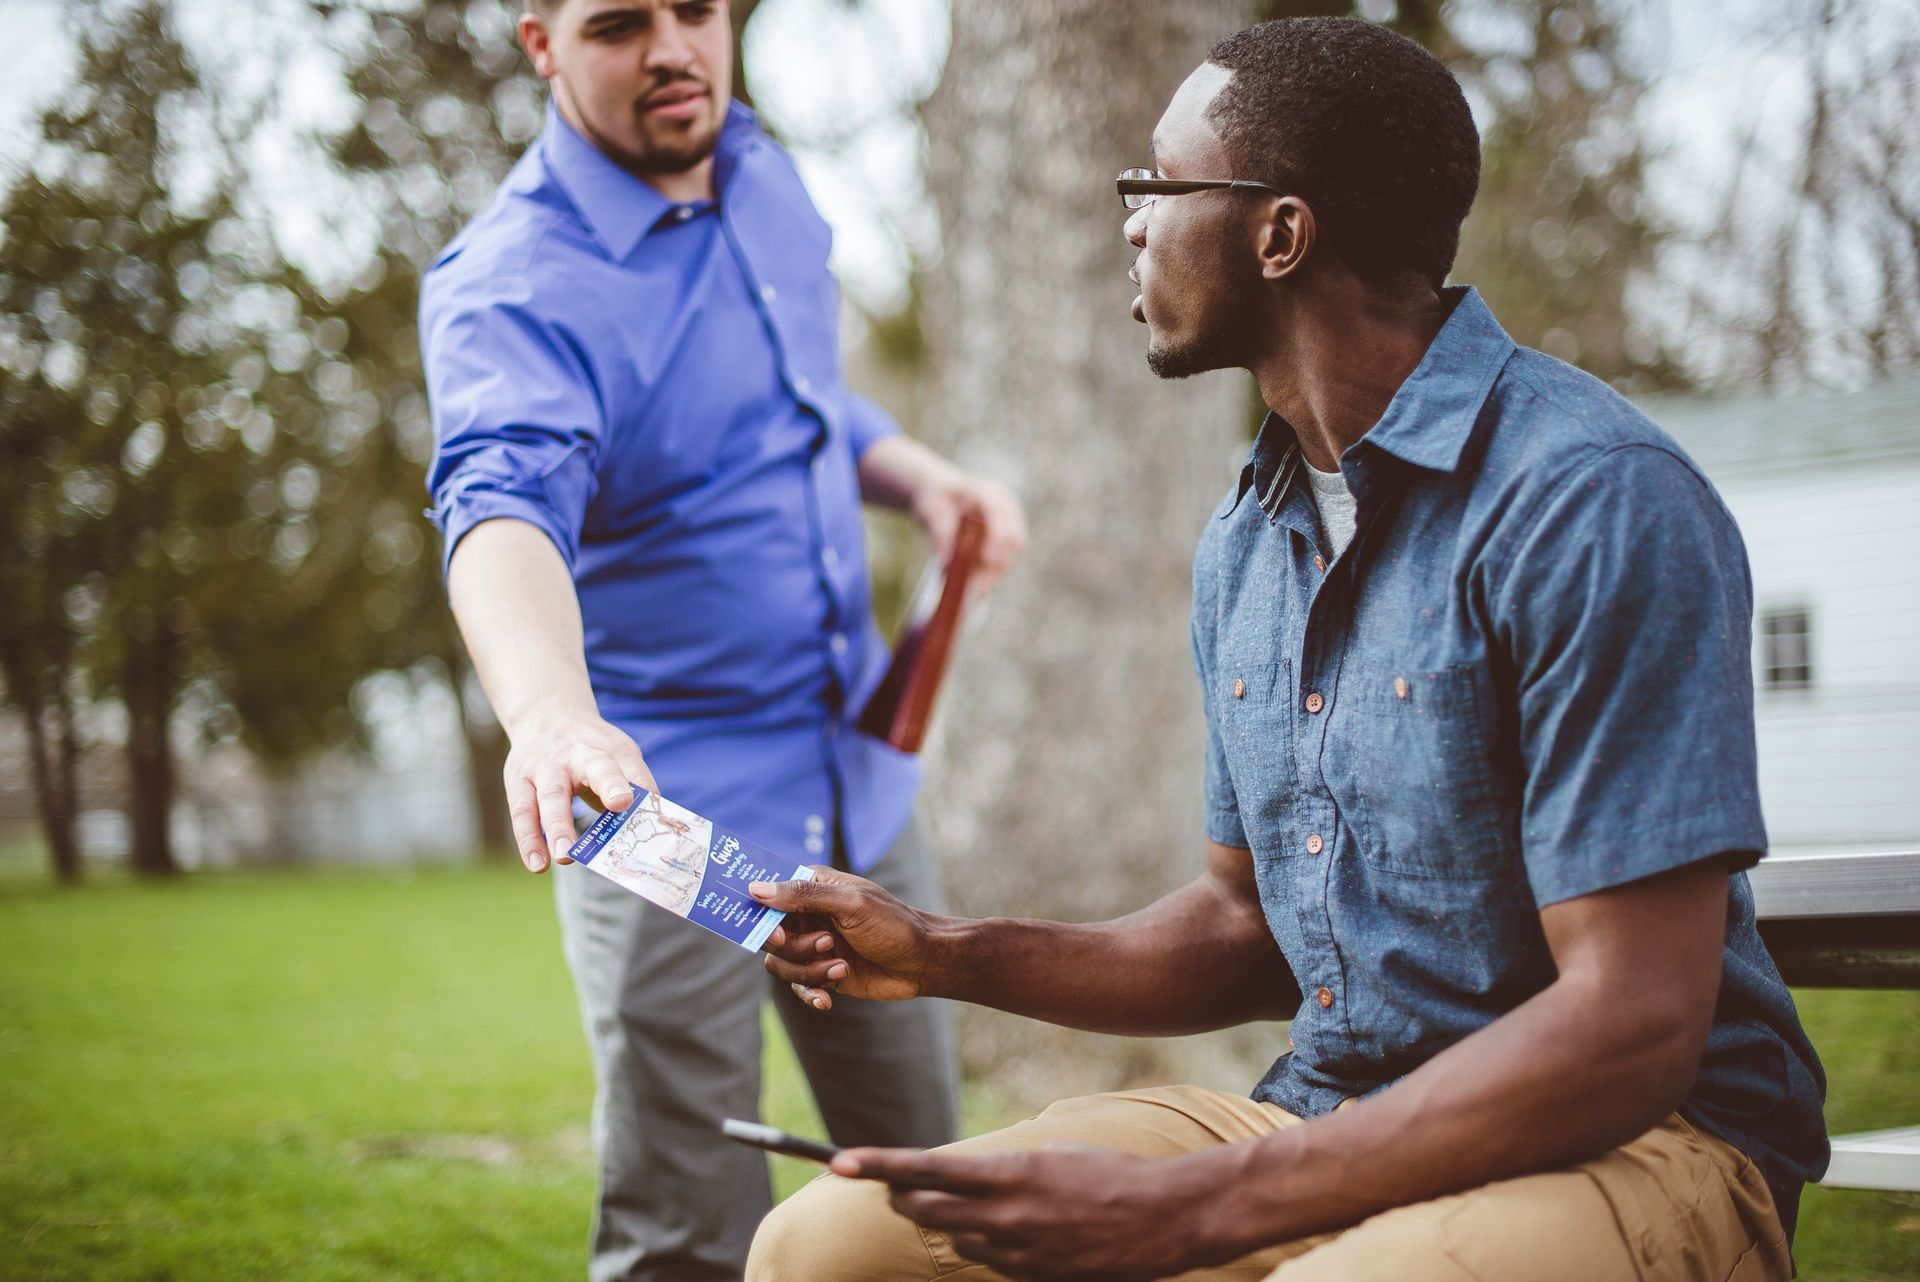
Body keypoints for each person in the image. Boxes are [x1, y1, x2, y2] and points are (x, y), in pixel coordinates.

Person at [743, 17, 1827, 1282]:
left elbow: (1633, 1024)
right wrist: (938, 951)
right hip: (1329, 1112)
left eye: (1159, 178)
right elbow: (1242, 922)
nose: (1132, 218)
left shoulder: (1592, 499)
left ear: (1280, 233)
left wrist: (1208, 1205)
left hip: (1642, 1140)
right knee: (833, 1243)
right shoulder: (1249, 538)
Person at [419, 1, 1026, 1278]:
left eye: (695, 9)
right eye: (620, 25)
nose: (671, 50)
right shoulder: (511, 283)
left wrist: (917, 475)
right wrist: (548, 712)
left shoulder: (762, 173)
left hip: (857, 777)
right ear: (542, 44)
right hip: (663, 816)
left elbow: (794, 402)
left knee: (929, 1190)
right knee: (688, 1227)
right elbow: (500, 505)